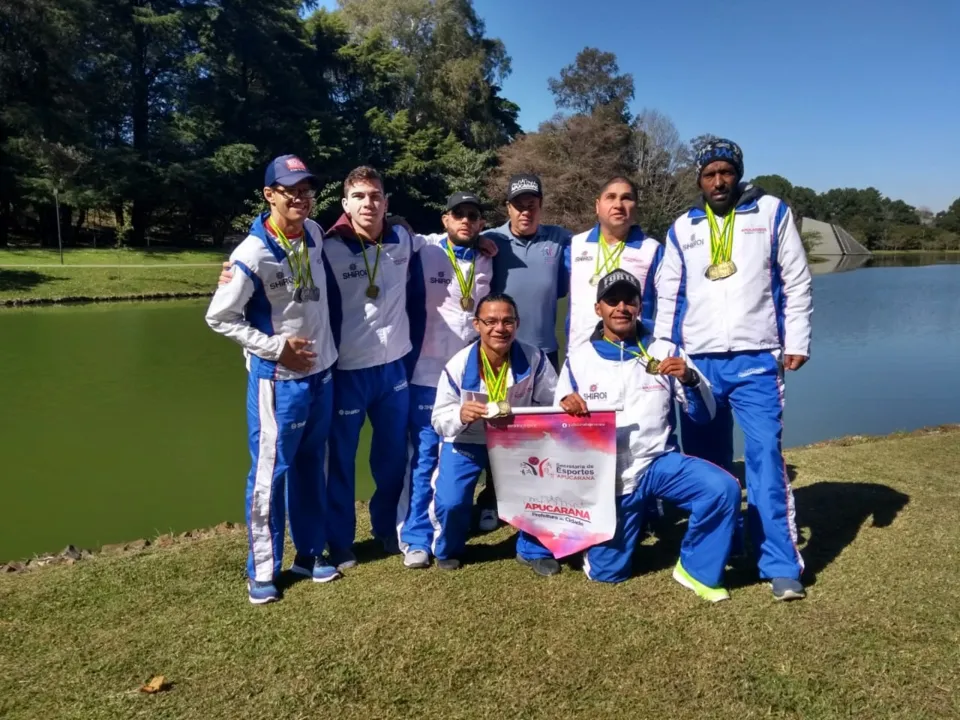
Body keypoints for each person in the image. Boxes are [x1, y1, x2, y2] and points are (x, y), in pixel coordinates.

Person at [654, 139, 813, 601]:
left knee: (764, 458)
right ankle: (718, 550)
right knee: (707, 465)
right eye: (709, 174)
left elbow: (796, 280)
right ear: (699, 179)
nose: (718, 181)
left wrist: (796, 340)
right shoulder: (684, 226)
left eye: (726, 172)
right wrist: (667, 348)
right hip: (699, 362)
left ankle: (779, 563)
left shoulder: (771, 212)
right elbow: (668, 293)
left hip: (756, 359)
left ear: (738, 173)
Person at [555, 269, 741, 600]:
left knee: (722, 488)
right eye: (612, 301)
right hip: (608, 476)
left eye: (630, 300)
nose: (621, 307)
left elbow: (704, 415)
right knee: (609, 573)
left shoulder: (665, 350)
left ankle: (696, 569)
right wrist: (567, 407)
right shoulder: (579, 359)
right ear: (598, 308)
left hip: (660, 463)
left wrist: (691, 380)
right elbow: (558, 428)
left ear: (640, 306)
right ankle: (594, 543)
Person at [205, 155, 340, 604]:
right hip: (278, 381)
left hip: (321, 374)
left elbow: (354, 227)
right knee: (270, 474)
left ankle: (310, 552)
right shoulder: (251, 252)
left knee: (311, 467)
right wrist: (274, 347)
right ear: (269, 195)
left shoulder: (316, 234)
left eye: (306, 189)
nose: (301, 197)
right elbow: (219, 317)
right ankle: (263, 569)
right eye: (290, 190)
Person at [429, 293, 560, 575]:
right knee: (451, 501)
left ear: (517, 324)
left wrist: (547, 420)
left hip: (516, 438)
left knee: (540, 484)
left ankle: (533, 549)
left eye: (507, 321)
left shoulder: (534, 358)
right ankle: (449, 548)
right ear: (477, 325)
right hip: (468, 438)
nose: (499, 328)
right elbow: (439, 419)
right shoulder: (459, 364)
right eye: (491, 321)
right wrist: (459, 415)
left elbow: (553, 400)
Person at [400, 191, 494, 569]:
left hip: (468, 376)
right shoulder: (425, 249)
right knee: (424, 456)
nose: (466, 220)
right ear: (445, 219)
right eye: (458, 214)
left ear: (481, 223)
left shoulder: (488, 257)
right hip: (425, 371)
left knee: (460, 451)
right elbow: (391, 230)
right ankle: (416, 537)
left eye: (473, 215)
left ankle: (455, 521)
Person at [477, 174, 572, 530]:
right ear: (508, 208)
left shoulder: (560, 239)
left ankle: (537, 495)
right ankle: (491, 496)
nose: (525, 210)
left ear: (540, 205)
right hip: (499, 350)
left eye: (532, 204)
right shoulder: (492, 241)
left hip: (544, 351)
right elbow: (446, 237)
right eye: (518, 205)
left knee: (542, 429)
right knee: (496, 425)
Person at [564, 176, 663, 350]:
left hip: (634, 356)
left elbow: (670, 307)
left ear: (635, 207)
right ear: (597, 206)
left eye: (626, 198)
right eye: (610, 197)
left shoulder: (653, 250)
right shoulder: (574, 246)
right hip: (581, 355)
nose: (618, 205)